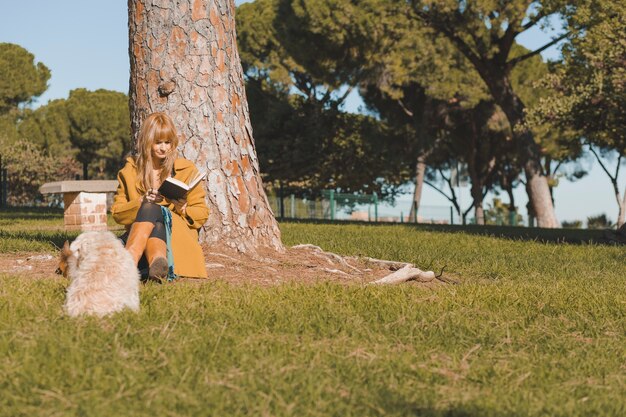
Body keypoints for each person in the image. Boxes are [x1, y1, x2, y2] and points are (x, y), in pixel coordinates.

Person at [111, 112, 209, 280]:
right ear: (147, 142)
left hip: (176, 237)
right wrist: (140, 201)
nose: (164, 148)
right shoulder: (130, 171)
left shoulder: (186, 169)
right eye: (158, 142)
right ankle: (157, 263)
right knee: (151, 210)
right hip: (145, 235)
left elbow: (202, 213)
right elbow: (117, 213)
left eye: (168, 142)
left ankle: (129, 261)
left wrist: (184, 210)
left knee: (153, 209)